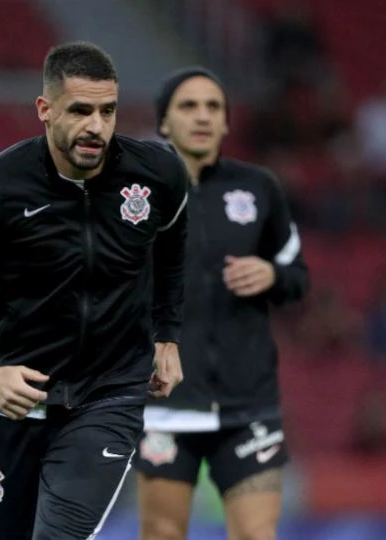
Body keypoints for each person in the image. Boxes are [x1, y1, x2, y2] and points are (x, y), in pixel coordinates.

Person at [0, 41, 190, 540]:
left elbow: (171, 247)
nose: (96, 127)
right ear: (45, 109)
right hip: (13, 406)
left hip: (110, 396)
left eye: (108, 111)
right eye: (81, 110)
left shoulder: (157, 175)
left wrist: (166, 333)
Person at [134, 66, 310, 540]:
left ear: (228, 123)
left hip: (248, 401)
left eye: (214, 107)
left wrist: (272, 273)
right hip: (165, 402)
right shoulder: (135, 197)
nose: (203, 116)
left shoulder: (259, 189)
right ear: (164, 121)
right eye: (188, 106)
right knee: (163, 533)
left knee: (256, 535)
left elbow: (297, 278)